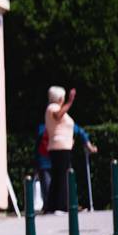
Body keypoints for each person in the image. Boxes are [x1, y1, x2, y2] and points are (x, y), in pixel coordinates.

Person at [38, 104, 97, 213]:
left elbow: (79, 131)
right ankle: (52, 208)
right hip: (46, 161)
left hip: (55, 158)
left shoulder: (64, 125)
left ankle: (67, 205)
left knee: (65, 181)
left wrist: (86, 143)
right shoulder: (44, 127)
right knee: (50, 187)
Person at [42, 86, 79, 214]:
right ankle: (60, 205)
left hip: (62, 146)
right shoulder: (53, 108)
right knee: (62, 176)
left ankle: (53, 205)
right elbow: (58, 116)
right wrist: (70, 102)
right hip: (60, 147)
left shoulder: (55, 108)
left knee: (59, 176)